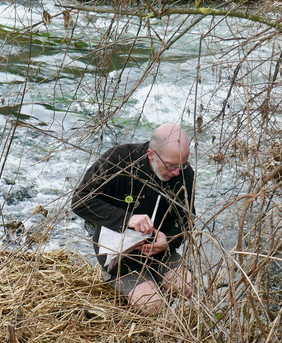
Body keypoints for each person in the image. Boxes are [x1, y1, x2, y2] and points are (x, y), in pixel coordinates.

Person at [72, 124, 195, 314]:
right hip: (118, 253)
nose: (177, 173)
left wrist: (168, 240)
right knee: (152, 305)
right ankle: (127, 286)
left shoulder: (183, 173)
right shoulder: (119, 159)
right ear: (151, 154)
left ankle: (155, 286)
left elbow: (187, 222)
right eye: (170, 166)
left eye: (182, 165)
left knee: (187, 287)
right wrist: (127, 219)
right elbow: (81, 201)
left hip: (159, 250)